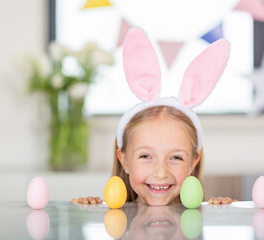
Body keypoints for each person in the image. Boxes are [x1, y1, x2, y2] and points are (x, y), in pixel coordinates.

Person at [73, 27, 231, 206]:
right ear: (124, 159)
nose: (161, 173)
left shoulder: (203, 216)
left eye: (176, 157)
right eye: (146, 156)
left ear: (193, 163)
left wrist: (221, 211)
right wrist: (85, 211)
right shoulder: (111, 215)